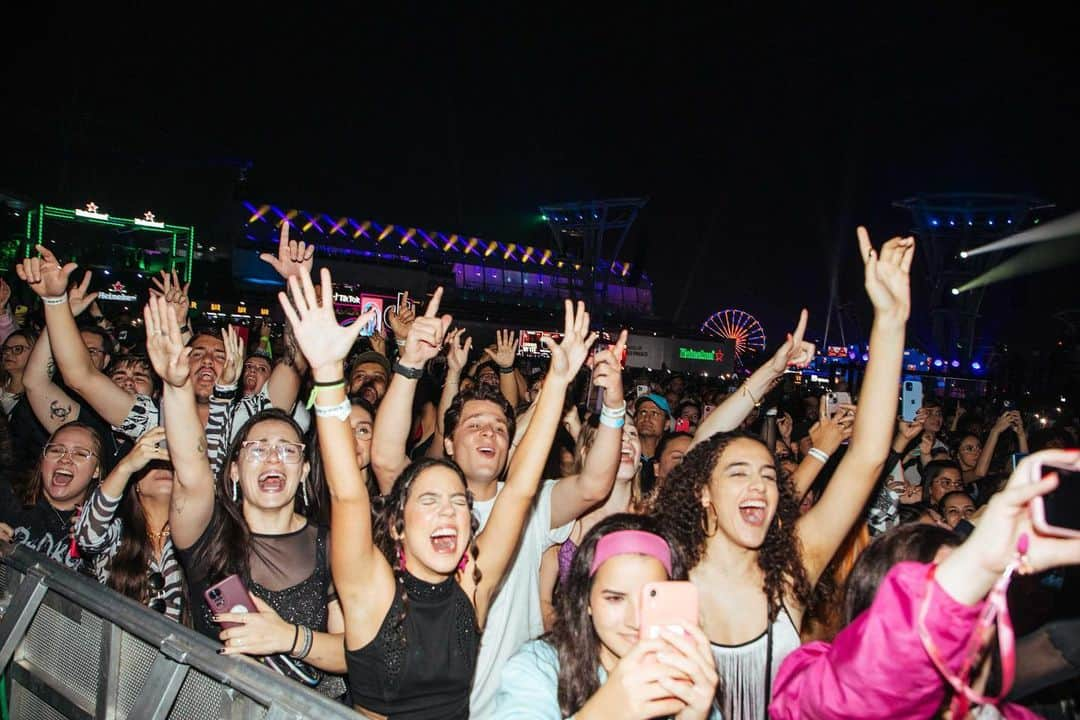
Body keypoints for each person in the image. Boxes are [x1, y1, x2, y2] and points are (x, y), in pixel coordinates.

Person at [281, 266, 595, 718]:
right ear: (399, 525)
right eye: (428, 500)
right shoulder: (370, 587)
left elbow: (520, 490)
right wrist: (328, 374)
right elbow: (347, 493)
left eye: (457, 503)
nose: (448, 512)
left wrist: (558, 385)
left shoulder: (471, 587)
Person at [654, 227, 912, 719]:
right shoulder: (668, 571)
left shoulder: (793, 568)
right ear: (702, 492)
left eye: (769, 476)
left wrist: (891, 319)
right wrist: (771, 372)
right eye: (738, 473)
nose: (759, 484)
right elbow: (707, 440)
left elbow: (867, 458)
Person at [372, 286, 626, 719]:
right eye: (475, 425)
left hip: (519, 705)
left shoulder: (532, 503)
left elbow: (595, 484)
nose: (489, 434)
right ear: (448, 443)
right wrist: (409, 363)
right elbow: (385, 459)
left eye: (500, 428)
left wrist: (614, 405)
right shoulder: (429, 512)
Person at [769, 450, 1080, 719]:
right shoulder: (818, 686)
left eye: (974, 597)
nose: (960, 617)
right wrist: (978, 563)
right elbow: (852, 695)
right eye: (952, 600)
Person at [144, 295, 346, 694]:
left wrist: (288, 638)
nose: (273, 456)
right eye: (258, 449)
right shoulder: (209, 534)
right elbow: (190, 472)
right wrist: (176, 385)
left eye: (288, 450)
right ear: (234, 468)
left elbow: (352, 653)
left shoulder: (329, 543)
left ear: (304, 470)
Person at [497, 514, 720, 719]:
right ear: (586, 599)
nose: (635, 621)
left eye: (650, 598)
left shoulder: (682, 674)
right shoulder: (539, 667)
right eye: (615, 598)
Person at [74, 426, 183, 620]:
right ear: (136, 484)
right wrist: (126, 466)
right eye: (152, 464)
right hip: (118, 645)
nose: (164, 468)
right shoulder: (117, 533)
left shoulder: (194, 539)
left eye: (172, 465)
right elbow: (87, 538)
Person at [0, 422, 103, 571]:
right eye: (56, 450)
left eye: (80, 453)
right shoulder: (6, 494)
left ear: (96, 470)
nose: (65, 459)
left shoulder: (100, 531)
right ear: (43, 459)